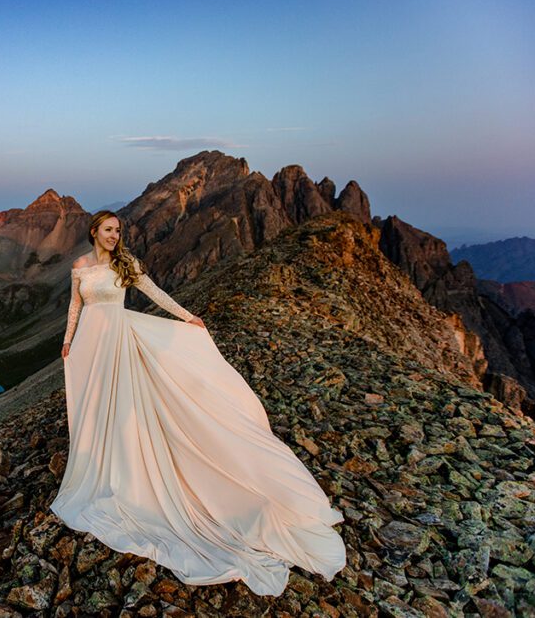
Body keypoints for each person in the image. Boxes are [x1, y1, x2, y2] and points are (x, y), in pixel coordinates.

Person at [49, 210, 346, 596]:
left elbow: (155, 292)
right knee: (96, 404)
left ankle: (125, 469)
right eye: (108, 230)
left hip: (120, 341)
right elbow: (75, 306)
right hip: (91, 342)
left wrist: (188, 317)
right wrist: (68, 340)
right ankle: (99, 457)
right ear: (94, 231)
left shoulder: (128, 264)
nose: (114, 235)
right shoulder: (80, 266)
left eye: (118, 230)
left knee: (124, 406)